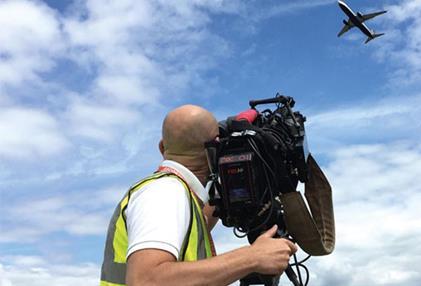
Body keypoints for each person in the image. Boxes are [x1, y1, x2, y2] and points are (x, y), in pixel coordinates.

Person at [100, 105, 297, 286]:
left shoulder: (181, 196)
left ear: (162, 147)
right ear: (215, 149)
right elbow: (146, 280)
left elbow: (204, 218)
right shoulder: (166, 193)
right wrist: (252, 258)